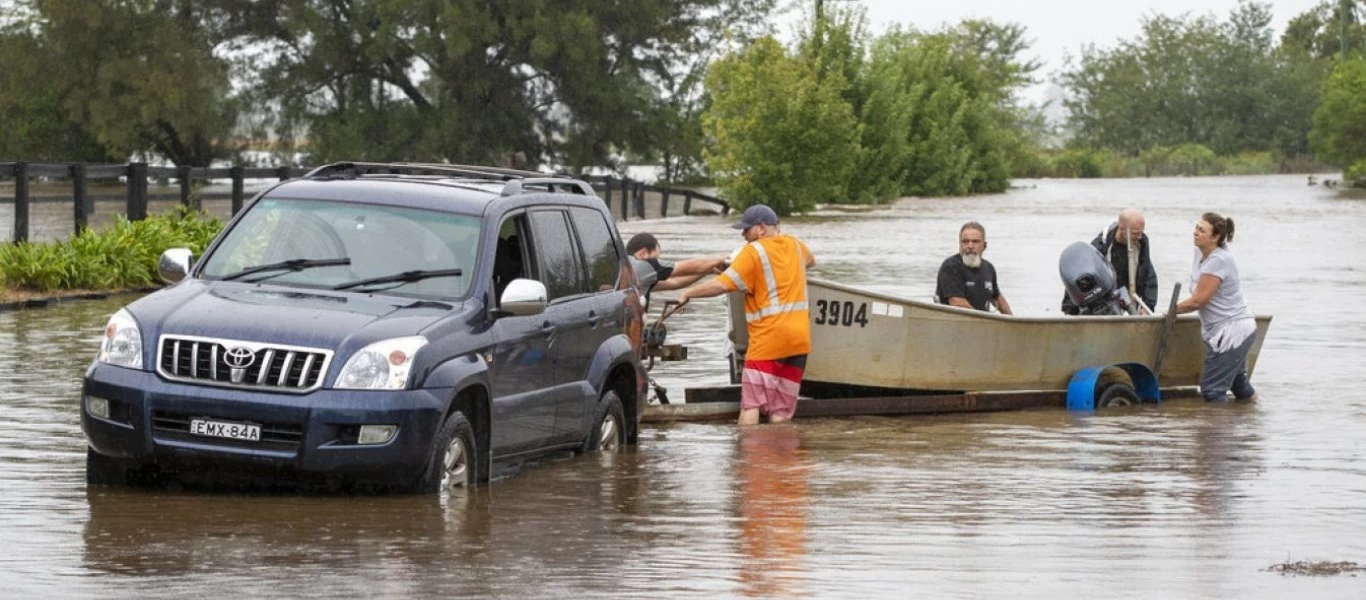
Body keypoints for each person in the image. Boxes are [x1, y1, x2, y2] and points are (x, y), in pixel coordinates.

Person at [675, 204, 816, 425]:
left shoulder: (753, 252)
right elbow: (810, 261)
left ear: (760, 229)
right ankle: (781, 457)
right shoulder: (797, 245)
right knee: (781, 412)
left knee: (751, 405)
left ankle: (748, 458)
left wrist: (688, 293)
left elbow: (722, 286)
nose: (743, 235)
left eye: (746, 229)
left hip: (769, 341)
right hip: (799, 342)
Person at [1175, 212, 1257, 403]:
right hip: (1232, 328)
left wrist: (1173, 310)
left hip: (1232, 331)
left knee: (1212, 390)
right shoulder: (1200, 253)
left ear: (1216, 237)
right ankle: (1252, 421)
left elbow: (1198, 301)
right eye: (1196, 227)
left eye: (1202, 230)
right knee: (1239, 385)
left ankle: (1217, 433)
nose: (1195, 232)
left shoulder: (1219, 260)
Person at [1061, 208, 1158, 314]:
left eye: (1141, 232)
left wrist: (1148, 306)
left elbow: (1148, 275)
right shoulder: (1100, 246)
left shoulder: (1141, 243)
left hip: (1130, 295)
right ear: (1121, 229)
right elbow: (1081, 272)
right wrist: (1070, 309)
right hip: (1106, 296)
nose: (1139, 237)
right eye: (1135, 233)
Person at [934, 221, 1013, 315]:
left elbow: (997, 298)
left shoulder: (989, 268)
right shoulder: (950, 266)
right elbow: (956, 303)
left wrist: (1013, 321)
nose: (970, 246)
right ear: (960, 244)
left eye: (975, 241)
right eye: (965, 241)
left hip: (983, 322)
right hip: (955, 322)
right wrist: (984, 322)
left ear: (984, 245)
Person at [625, 233, 727, 305]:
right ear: (643, 253)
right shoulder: (644, 266)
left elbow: (675, 283)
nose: (657, 261)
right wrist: (722, 259)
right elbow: (691, 266)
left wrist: (709, 269)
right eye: (656, 258)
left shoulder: (632, 274)